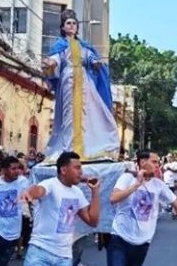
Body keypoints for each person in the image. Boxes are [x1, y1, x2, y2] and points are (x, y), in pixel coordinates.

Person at [41, 9, 119, 162]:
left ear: (77, 27)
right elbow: (56, 59)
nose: (71, 26)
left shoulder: (84, 45)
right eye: (68, 23)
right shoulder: (60, 45)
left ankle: (90, 147)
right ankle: (69, 150)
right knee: (69, 115)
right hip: (68, 80)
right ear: (63, 27)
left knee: (91, 113)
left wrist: (96, 63)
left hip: (84, 82)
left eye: (74, 23)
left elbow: (90, 58)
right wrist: (50, 63)